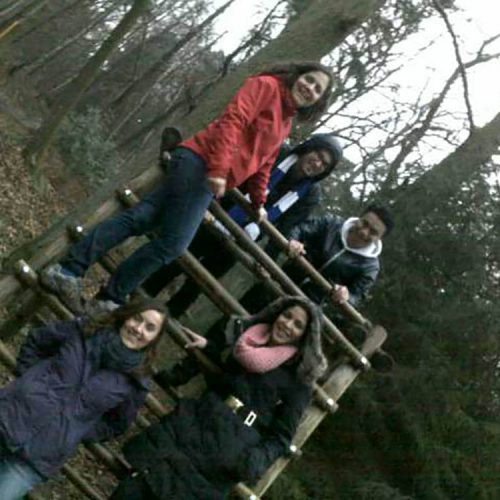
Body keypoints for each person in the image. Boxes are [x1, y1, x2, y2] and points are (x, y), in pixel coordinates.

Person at [40, 61, 334, 312]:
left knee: (143, 218)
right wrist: (219, 170)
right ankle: (108, 297)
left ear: (318, 101)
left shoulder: (285, 121)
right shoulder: (267, 86)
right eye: (309, 79)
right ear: (297, 75)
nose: (309, 88)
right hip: (201, 164)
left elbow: (264, 164)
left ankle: (69, 271)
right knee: (174, 244)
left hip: (207, 173)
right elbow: (233, 121)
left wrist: (258, 203)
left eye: (317, 89)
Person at [110, 296, 327, 500]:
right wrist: (209, 349)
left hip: (225, 453)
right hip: (195, 424)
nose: (287, 324)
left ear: (305, 335)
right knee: (133, 488)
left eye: (298, 325)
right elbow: (225, 376)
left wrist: (250, 462)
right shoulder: (247, 340)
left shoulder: (300, 379)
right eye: (287, 315)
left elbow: (281, 437)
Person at [143, 132, 344, 312]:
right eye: (318, 155)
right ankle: (140, 298)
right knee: (174, 260)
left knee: (199, 283)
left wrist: (267, 262)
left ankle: (169, 319)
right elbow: (239, 175)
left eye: (324, 164)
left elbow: (286, 227)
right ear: (309, 148)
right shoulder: (278, 153)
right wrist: (209, 205)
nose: (318, 163)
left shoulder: (310, 194)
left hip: (243, 239)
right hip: (216, 215)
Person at [0, 299, 168, 500]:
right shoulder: (85, 331)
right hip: (8, 418)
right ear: (126, 316)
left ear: (154, 338)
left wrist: (76, 430)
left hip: (38, 458)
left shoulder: (136, 383)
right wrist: (30, 384)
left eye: (150, 328)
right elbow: (38, 341)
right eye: (137, 319)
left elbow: (117, 424)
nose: (139, 329)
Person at [286, 203, 395, 308]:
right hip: (284, 276)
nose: (364, 232)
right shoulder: (331, 223)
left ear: (380, 238)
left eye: (373, 232)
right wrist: (294, 240)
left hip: (309, 306)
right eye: (364, 223)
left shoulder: (370, 267)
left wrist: (347, 296)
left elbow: (357, 296)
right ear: (359, 217)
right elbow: (300, 229)